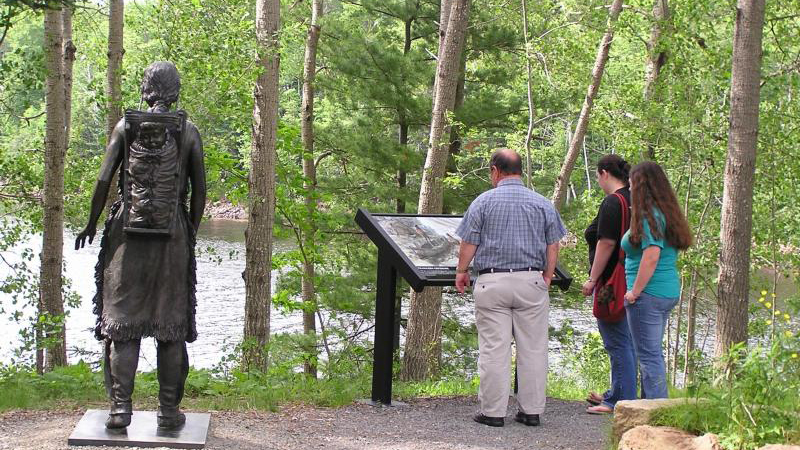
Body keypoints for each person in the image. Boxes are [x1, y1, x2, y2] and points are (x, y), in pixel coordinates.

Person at [75, 61, 206, 429]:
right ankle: (167, 412)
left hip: (126, 239)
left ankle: (120, 409)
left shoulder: (125, 126)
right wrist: (189, 233)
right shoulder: (189, 132)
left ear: (145, 90)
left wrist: (90, 222)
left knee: (124, 325)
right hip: (172, 238)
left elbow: (103, 179)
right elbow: (200, 193)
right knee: (170, 326)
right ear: (175, 91)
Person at [455, 149, 566, 427]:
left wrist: (461, 271)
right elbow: (553, 244)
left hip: (492, 281)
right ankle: (531, 412)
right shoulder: (542, 203)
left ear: (495, 170)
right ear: (519, 170)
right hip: (531, 281)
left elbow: (469, 243)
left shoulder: (482, 202)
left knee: (494, 349)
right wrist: (548, 276)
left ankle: (492, 412)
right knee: (533, 348)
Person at [622, 161, 691, 399]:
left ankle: (655, 411)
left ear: (641, 185)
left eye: (631, 183)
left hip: (648, 295)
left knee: (649, 355)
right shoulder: (667, 214)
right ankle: (650, 405)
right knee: (652, 353)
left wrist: (634, 292)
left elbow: (651, 255)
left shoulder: (648, 215)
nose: (629, 188)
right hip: (667, 291)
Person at [581, 155, 637, 414]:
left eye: (597, 176)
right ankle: (618, 392)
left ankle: (619, 401)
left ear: (604, 173)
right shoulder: (634, 199)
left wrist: (593, 279)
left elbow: (606, 242)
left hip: (613, 280)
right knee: (627, 339)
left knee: (616, 340)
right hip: (633, 277)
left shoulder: (614, 202)